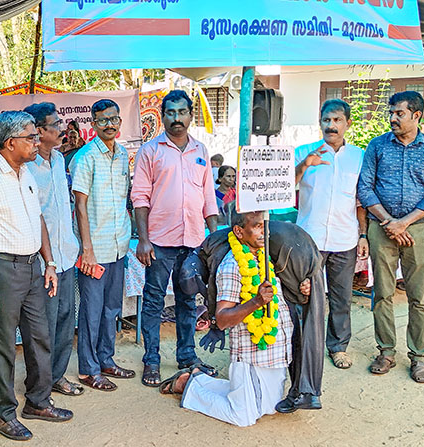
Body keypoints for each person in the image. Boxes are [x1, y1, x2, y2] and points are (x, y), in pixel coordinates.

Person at [0, 111, 72, 441]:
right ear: (11, 143)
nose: (37, 141)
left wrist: (49, 262)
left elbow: (38, 219)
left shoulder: (25, 173)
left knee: (40, 336)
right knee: (3, 345)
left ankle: (38, 401)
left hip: (32, 268)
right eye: (31, 137)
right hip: (3, 270)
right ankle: (3, 413)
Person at [162, 211, 294, 427]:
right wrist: (256, 303)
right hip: (252, 356)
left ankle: (200, 378)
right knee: (243, 416)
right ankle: (189, 388)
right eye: (257, 226)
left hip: (276, 352)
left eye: (265, 226)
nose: (264, 231)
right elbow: (222, 319)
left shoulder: (265, 257)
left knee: (270, 408)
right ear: (239, 232)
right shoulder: (232, 266)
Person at [131, 89, 219, 387]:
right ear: (163, 116)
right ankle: (152, 361)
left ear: (191, 115)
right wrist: (143, 240)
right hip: (158, 241)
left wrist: (216, 238)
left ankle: (187, 357)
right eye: (170, 112)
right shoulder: (150, 151)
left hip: (193, 240)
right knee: (154, 301)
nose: (176, 118)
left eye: (182, 112)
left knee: (187, 301)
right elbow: (140, 198)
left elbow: (209, 197)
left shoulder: (201, 151)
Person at [357, 91, 424, 384]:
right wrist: (387, 222)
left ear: (416, 115)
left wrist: (404, 223)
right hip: (382, 229)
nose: (392, 118)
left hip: (417, 230)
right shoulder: (377, 146)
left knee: (418, 296)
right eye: (391, 113)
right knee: (382, 293)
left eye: (399, 114)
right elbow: (365, 188)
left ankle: (419, 357)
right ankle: (386, 351)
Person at [293, 98, 367, 371]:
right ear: (320, 122)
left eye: (337, 120)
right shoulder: (304, 151)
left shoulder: (359, 157)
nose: (331, 126)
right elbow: (285, 188)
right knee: (306, 294)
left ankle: (338, 347)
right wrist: (304, 166)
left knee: (341, 296)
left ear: (348, 123)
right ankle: (303, 344)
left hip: (344, 238)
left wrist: (362, 235)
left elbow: (361, 200)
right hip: (309, 238)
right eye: (326, 120)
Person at [71, 99, 136, 392]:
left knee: (111, 308)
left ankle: (106, 360)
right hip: (94, 249)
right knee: (91, 311)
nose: (109, 125)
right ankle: (88, 369)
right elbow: (80, 206)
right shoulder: (85, 158)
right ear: (93, 125)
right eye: (102, 121)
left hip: (118, 245)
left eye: (113, 119)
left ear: (119, 121)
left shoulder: (122, 155)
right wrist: (86, 249)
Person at [22, 102, 84, 398]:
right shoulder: (25, 166)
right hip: (42, 260)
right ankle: (39, 386)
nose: (62, 128)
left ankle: (56, 376)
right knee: (41, 329)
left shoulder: (59, 160)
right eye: (55, 124)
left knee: (63, 322)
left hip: (66, 256)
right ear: (39, 132)